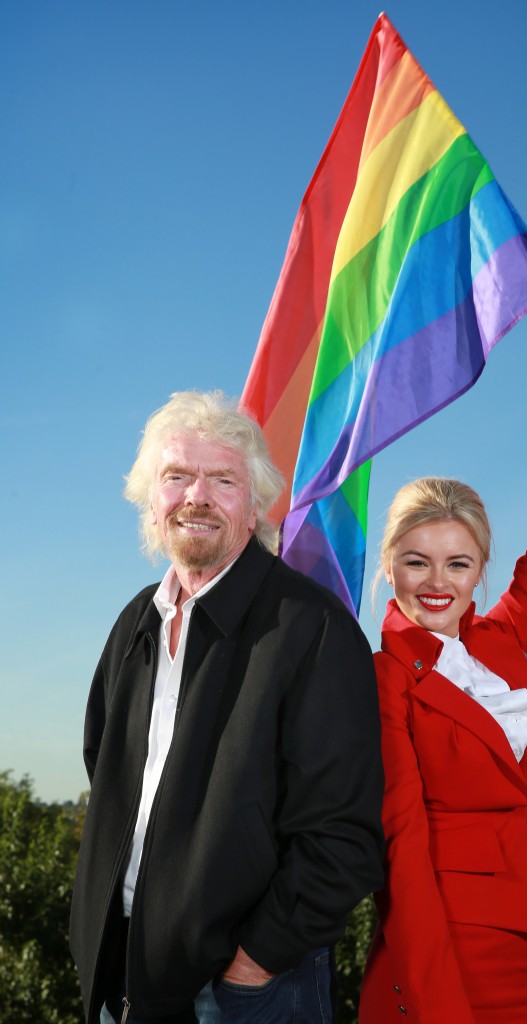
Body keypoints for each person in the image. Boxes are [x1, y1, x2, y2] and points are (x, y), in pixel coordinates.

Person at [69, 390, 385, 1024]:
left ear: (253, 504)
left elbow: (343, 836)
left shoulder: (314, 628)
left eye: (222, 479)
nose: (197, 496)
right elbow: (106, 771)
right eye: (177, 476)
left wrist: (254, 964)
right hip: (122, 979)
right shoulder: (135, 622)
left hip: (245, 994)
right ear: (148, 499)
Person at [359, 339, 527, 1023]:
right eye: (416, 562)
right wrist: (438, 1003)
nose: (437, 583)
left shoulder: (501, 641)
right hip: (443, 950)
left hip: (525, 935)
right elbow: (404, 850)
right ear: (388, 568)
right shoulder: (383, 679)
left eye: (458, 563)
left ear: (481, 569)